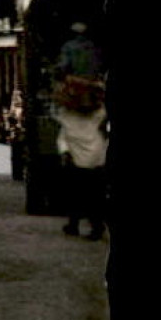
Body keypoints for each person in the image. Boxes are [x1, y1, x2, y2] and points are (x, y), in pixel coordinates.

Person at [57, 101, 108, 240]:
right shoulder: (96, 115)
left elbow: (62, 137)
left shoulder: (66, 115)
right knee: (95, 195)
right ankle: (96, 227)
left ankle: (73, 225)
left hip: (76, 157)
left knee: (75, 193)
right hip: (96, 157)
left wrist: (65, 153)